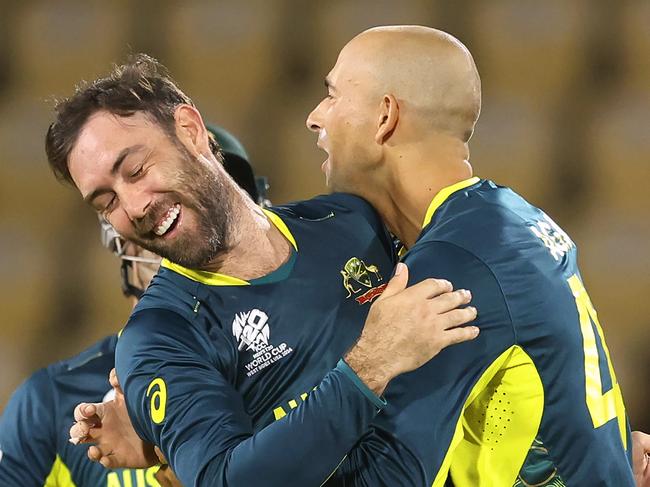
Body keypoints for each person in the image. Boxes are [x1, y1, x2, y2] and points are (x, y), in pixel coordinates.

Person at [45, 55, 479, 487]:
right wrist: (370, 366)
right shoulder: (158, 339)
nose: (134, 206)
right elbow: (225, 479)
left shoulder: (351, 221)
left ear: (189, 130)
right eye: (107, 203)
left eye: (136, 170)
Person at [305, 25, 637, 485]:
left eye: (334, 95)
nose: (315, 117)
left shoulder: (454, 267)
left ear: (385, 116)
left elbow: (383, 477)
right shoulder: (507, 221)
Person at [0, 126, 269, 487]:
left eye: (212, 212)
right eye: (166, 218)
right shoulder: (51, 403)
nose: (190, 242)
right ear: (121, 243)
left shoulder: (314, 356)